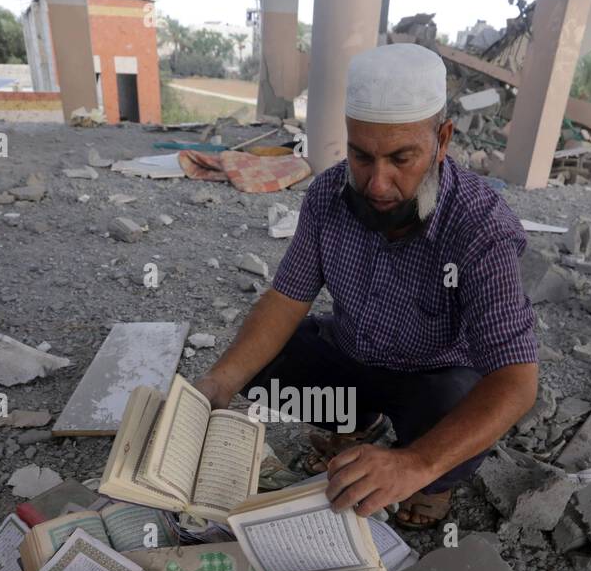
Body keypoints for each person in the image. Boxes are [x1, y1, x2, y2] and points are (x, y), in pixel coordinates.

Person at [195, 43, 538, 530]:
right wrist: (217, 384)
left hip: (433, 383)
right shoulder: (328, 195)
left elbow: (518, 383)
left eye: (402, 158)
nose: (378, 184)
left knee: (461, 402)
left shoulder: (480, 227)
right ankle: (358, 424)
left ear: (441, 140)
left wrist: (414, 465)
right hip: (354, 355)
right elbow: (285, 299)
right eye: (361, 156)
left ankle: (434, 481)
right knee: (260, 365)